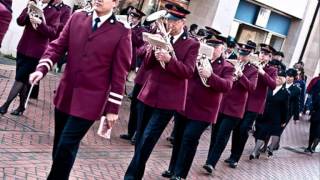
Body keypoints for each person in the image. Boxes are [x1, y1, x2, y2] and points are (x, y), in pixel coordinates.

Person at [29, 0, 132, 179]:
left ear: (115, 3)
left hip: (91, 101)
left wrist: (112, 109)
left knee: (66, 144)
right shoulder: (77, 18)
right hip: (65, 94)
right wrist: (42, 68)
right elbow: (57, 47)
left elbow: (119, 73)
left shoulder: (122, 31)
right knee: (60, 144)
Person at [124, 3, 200, 179]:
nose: (170, 24)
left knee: (147, 140)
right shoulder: (160, 35)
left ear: (183, 22)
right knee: (140, 138)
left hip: (168, 100)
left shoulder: (191, 44)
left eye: (174, 21)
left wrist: (169, 59)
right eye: (168, 20)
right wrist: (152, 50)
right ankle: (136, 175)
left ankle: (130, 177)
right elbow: (148, 65)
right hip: (148, 94)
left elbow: (188, 72)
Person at [161, 35, 234, 179]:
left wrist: (211, 76)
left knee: (189, 139)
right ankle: (172, 169)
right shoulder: (197, 59)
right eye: (210, 47)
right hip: (186, 106)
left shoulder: (227, 67)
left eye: (216, 48)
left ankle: (180, 174)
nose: (212, 50)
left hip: (204, 111)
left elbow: (227, 86)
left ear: (222, 49)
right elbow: (186, 72)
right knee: (179, 138)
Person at [203, 42, 259, 174]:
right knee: (215, 135)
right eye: (240, 54)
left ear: (249, 56)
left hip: (235, 108)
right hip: (222, 104)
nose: (241, 57)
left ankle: (211, 163)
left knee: (222, 135)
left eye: (244, 55)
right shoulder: (230, 64)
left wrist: (241, 76)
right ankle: (209, 159)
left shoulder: (253, 70)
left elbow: (252, 87)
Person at [0, 0, 60, 116]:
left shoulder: (54, 12)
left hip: (36, 52)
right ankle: (22, 107)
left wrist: (40, 23)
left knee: (19, 79)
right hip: (23, 47)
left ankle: (4, 106)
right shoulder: (32, 6)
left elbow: (53, 33)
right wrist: (27, 13)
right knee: (23, 81)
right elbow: (19, 22)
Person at [225, 43, 278, 168]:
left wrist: (262, 72)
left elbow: (273, 85)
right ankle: (232, 154)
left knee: (244, 129)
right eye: (261, 53)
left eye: (265, 55)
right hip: (242, 101)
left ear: (270, 58)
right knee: (237, 128)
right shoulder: (251, 65)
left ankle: (236, 158)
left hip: (254, 105)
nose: (262, 56)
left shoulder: (272, 69)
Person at [120, 7, 146, 142]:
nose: (132, 18)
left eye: (135, 17)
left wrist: (129, 28)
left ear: (139, 19)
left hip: (133, 61)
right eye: (131, 16)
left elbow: (137, 42)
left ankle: (137, 134)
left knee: (140, 106)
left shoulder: (142, 30)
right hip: (121, 58)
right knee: (134, 104)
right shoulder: (125, 25)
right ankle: (130, 132)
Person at [250, 72, 290, 158]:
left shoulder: (286, 92)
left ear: (284, 80)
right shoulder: (268, 88)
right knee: (261, 133)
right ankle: (255, 152)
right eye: (277, 77)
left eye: (281, 78)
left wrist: (283, 120)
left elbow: (285, 108)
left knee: (275, 133)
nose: (278, 79)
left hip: (276, 118)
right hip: (264, 115)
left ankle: (270, 149)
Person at [305, 76, 320, 153]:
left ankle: (311, 147)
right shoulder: (317, 80)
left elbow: (313, 93)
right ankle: (312, 147)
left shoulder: (318, 80)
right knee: (315, 131)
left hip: (316, 110)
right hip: (316, 110)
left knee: (314, 130)